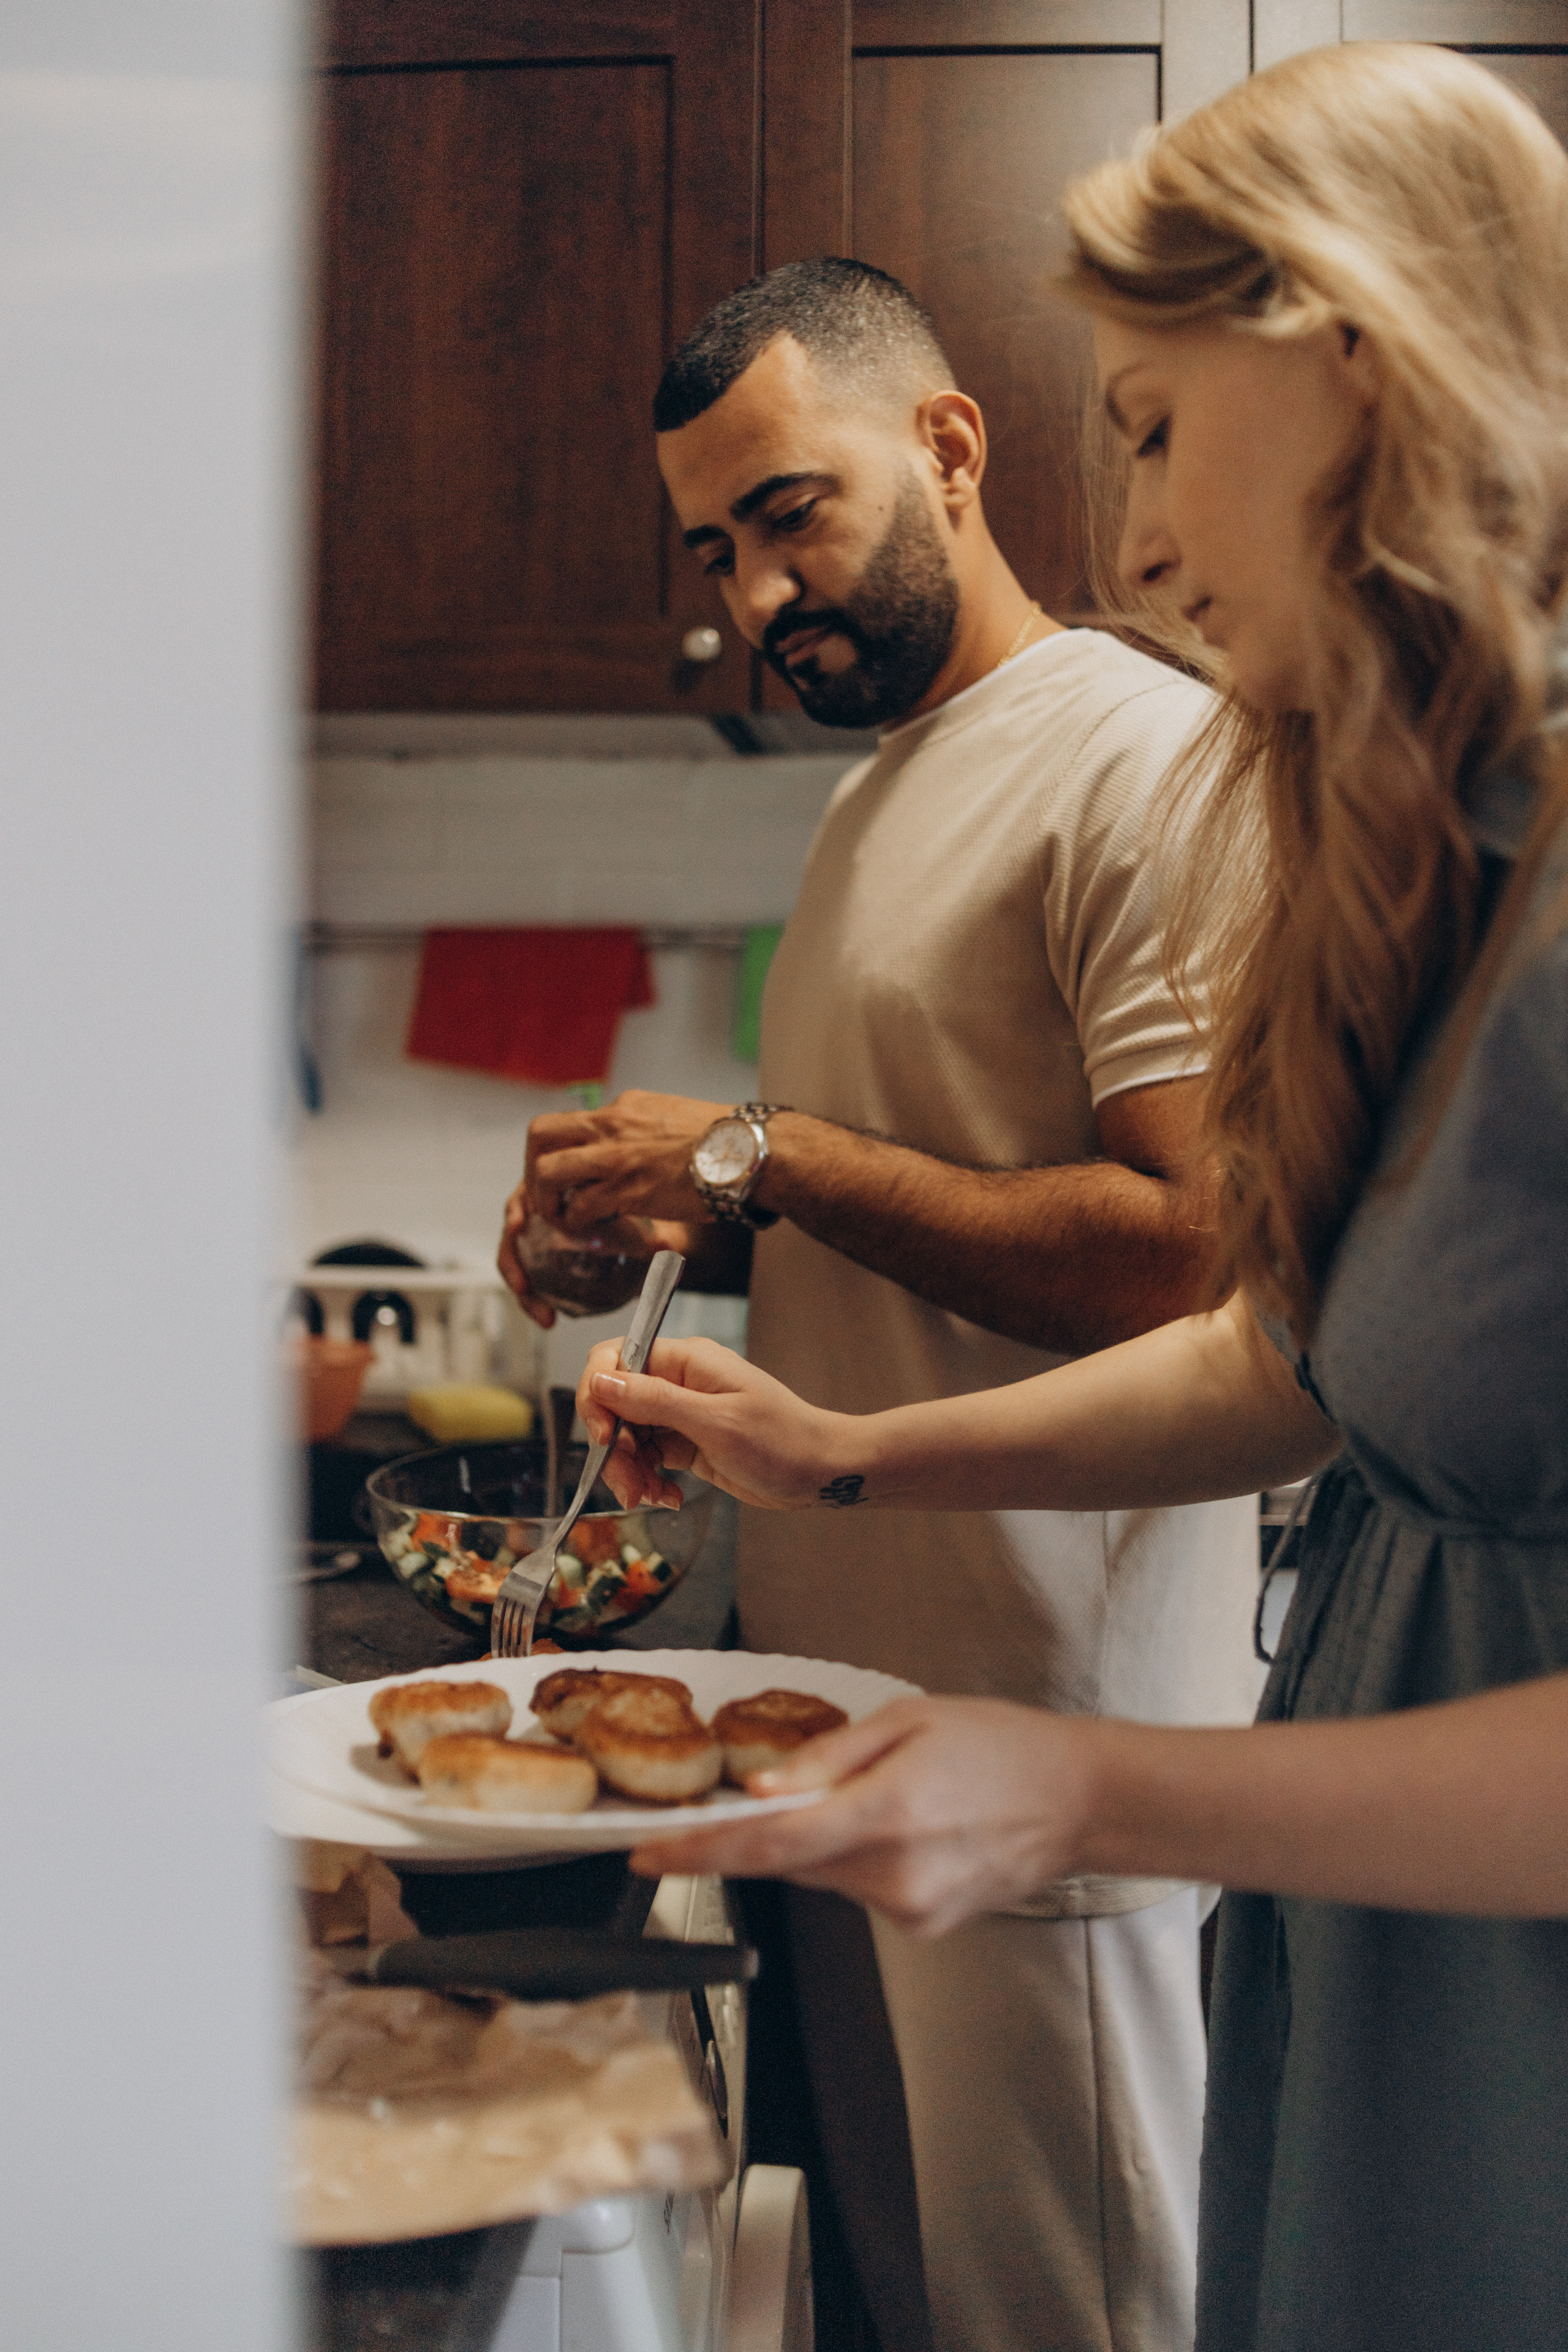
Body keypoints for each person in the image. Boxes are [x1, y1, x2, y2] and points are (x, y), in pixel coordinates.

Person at [571, 43, 1568, 2352]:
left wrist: (1098, 1783)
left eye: (1143, 420)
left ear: (1357, 360)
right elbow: (1302, 1351)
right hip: (1364, 1924)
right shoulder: (1441, 873)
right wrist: (842, 1447)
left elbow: (1191, 1256)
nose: (1131, 540)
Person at [498, 259, 1263, 2352]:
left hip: (1056, 1754)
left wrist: (762, 1158)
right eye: (717, 549)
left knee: (1079, 2318)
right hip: (843, 1718)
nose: (758, 594)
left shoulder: (1143, 756)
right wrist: (662, 1224)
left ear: (949, 444)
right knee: (915, 2313)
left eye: (791, 513)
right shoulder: (863, 801)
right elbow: (927, 1191)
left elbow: (1201, 1253)